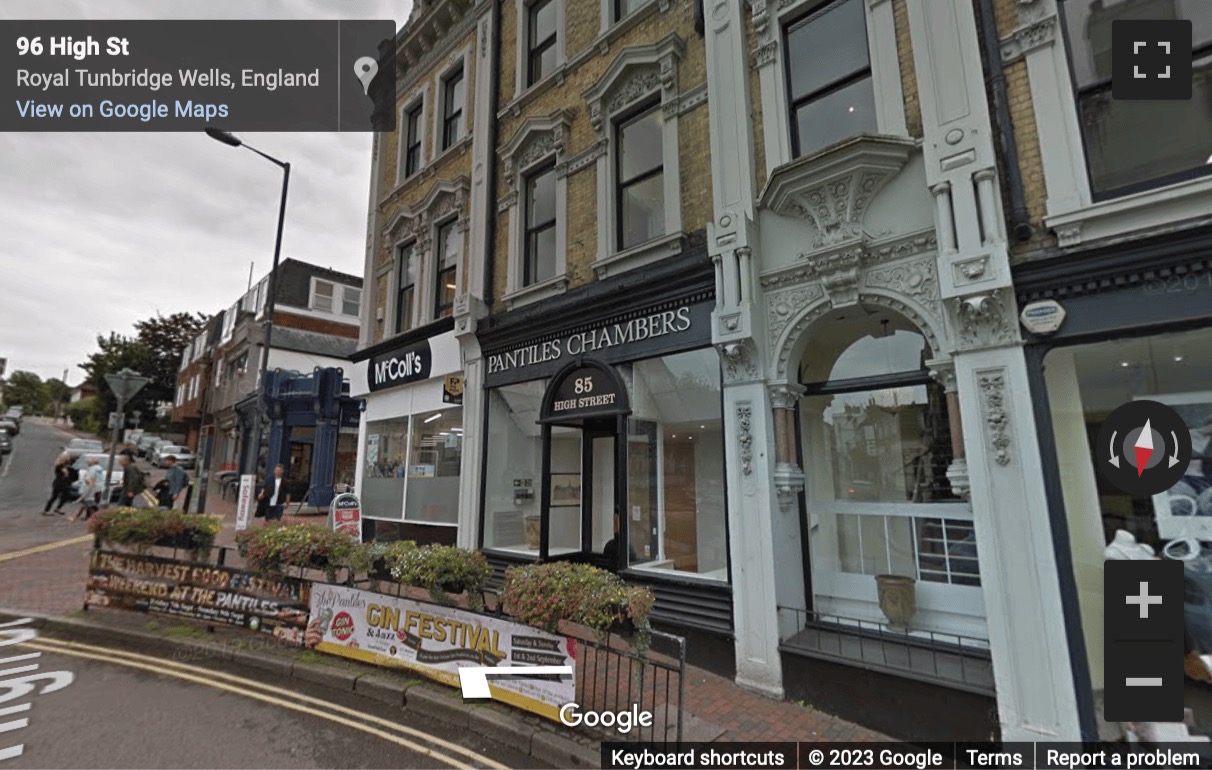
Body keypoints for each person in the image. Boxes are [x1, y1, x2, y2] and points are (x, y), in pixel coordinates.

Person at [70, 457, 106, 522]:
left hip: (91, 490)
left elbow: (90, 481)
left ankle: (95, 520)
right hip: (98, 489)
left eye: (90, 460)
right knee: (86, 505)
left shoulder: (92, 470)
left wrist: (87, 492)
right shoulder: (99, 468)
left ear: (93, 462)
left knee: (90, 505)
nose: (87, 461)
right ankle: (76, 517)